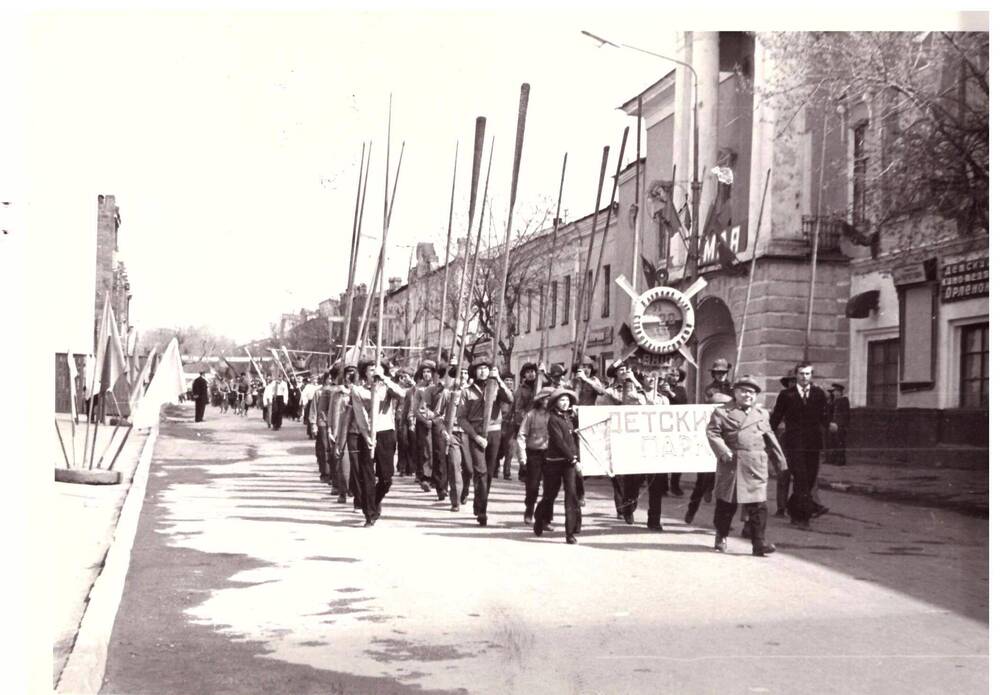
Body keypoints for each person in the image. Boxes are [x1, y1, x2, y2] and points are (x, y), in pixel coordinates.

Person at [706, 375, 786, 556]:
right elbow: (713, 433)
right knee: (726, 505)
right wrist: (722, 450)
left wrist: (780, 462)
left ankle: (759, 544)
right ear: (735, 392)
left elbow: (770, 438)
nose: (747, 395)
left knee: (758, 506)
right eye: (743, 391)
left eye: (751, 392)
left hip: (755, 465)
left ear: (756, 396)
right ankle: (721, 535)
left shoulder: (762, 414)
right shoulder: (722, 412)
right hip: (732, 464)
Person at [770, 362, 832, 528]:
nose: (804, 377)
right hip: (794, 443)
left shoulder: (819, 394)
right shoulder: (786, 395)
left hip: (813, 443)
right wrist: (767, 433)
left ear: (811, 376)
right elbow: (776, 416)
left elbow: (823, 415)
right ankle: (803, 518)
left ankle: (792, 508)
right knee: (801, 478)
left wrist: (830, 424)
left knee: (810, 479)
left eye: (807, 374)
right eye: (801, 374)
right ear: (796, 376)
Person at [458, 359, 513, 526]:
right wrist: (475, 436)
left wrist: (499, 380)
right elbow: (461, 418)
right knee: (480, 472)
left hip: (494, 432)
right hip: (477, 434)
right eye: (479, 369)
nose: (483, 371)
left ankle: (480, 502)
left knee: (488, 474)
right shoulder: (467, 392)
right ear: (474, 372)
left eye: (486, 368)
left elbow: (510, 399)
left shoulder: (495, 386)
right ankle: (482, 511)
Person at [685, 358, 734, 525]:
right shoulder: (710, 389)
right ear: (713, 374)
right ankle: (691, 510)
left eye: (723, 373)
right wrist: (731, 398)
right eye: (717, 373)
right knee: (702, 480)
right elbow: (714, 399)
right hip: (712, 434)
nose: (720, 375)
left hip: (727, 436)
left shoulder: (733, 387)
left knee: (725, 483)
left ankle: (720, 521)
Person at [533, 388, 582, 544]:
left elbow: (574, 437)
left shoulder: (570, 418)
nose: (565, 402)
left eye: (567, 400)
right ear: (554, 403)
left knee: (571, 495)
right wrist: (573, 460)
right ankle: (539, 518)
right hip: (554, 461)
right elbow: (559, 442)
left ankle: (570, 532)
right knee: (550, 495)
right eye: (562, 400)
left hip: (569, 463)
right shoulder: (553, 419)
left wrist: (575, 458)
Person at [516, 387, 552, 525]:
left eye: (551, 398)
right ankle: (529, 508)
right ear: (541, 400)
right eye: (546, 398)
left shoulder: (555, 415)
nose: (548, 401)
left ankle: (546, 518)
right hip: (534, 454)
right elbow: (521, 436)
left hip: (550, 455)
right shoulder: (531, 415)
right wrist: (522, 458)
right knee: (532, 486)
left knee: (550, 488)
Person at [659, 365, 689, 496]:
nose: (674, 378)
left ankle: (675, 485)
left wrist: (670, 393)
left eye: (676, 375)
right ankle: (663, 486)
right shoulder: (659, 389)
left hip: (676, 426)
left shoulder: (681, 389)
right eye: (671, 375)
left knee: (678, 456)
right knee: (663, 456)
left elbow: (682, 402)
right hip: (662, 425)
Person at [312, 370, 336, 483]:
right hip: (323, 423)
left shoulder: (336, 391)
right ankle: (326, 473)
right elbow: (315, 410)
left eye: (332, 379)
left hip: (334, 424)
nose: (330, 381)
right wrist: (313, 425)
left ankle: (333, 473)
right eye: (329, 378)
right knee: (324, 448)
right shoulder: (319, 392)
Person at [827, 383, 850, 466]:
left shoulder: (844, 400)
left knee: (840, 442)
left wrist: (843, 425)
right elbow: (831, 411)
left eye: (836, 391)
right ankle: (835, 459)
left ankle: (841, 460)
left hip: (840, 425)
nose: (834, 393)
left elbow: (846, 414)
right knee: (835, 442)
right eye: (834, 392)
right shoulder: (836, 401)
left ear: (840, 392)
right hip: (835, 424)